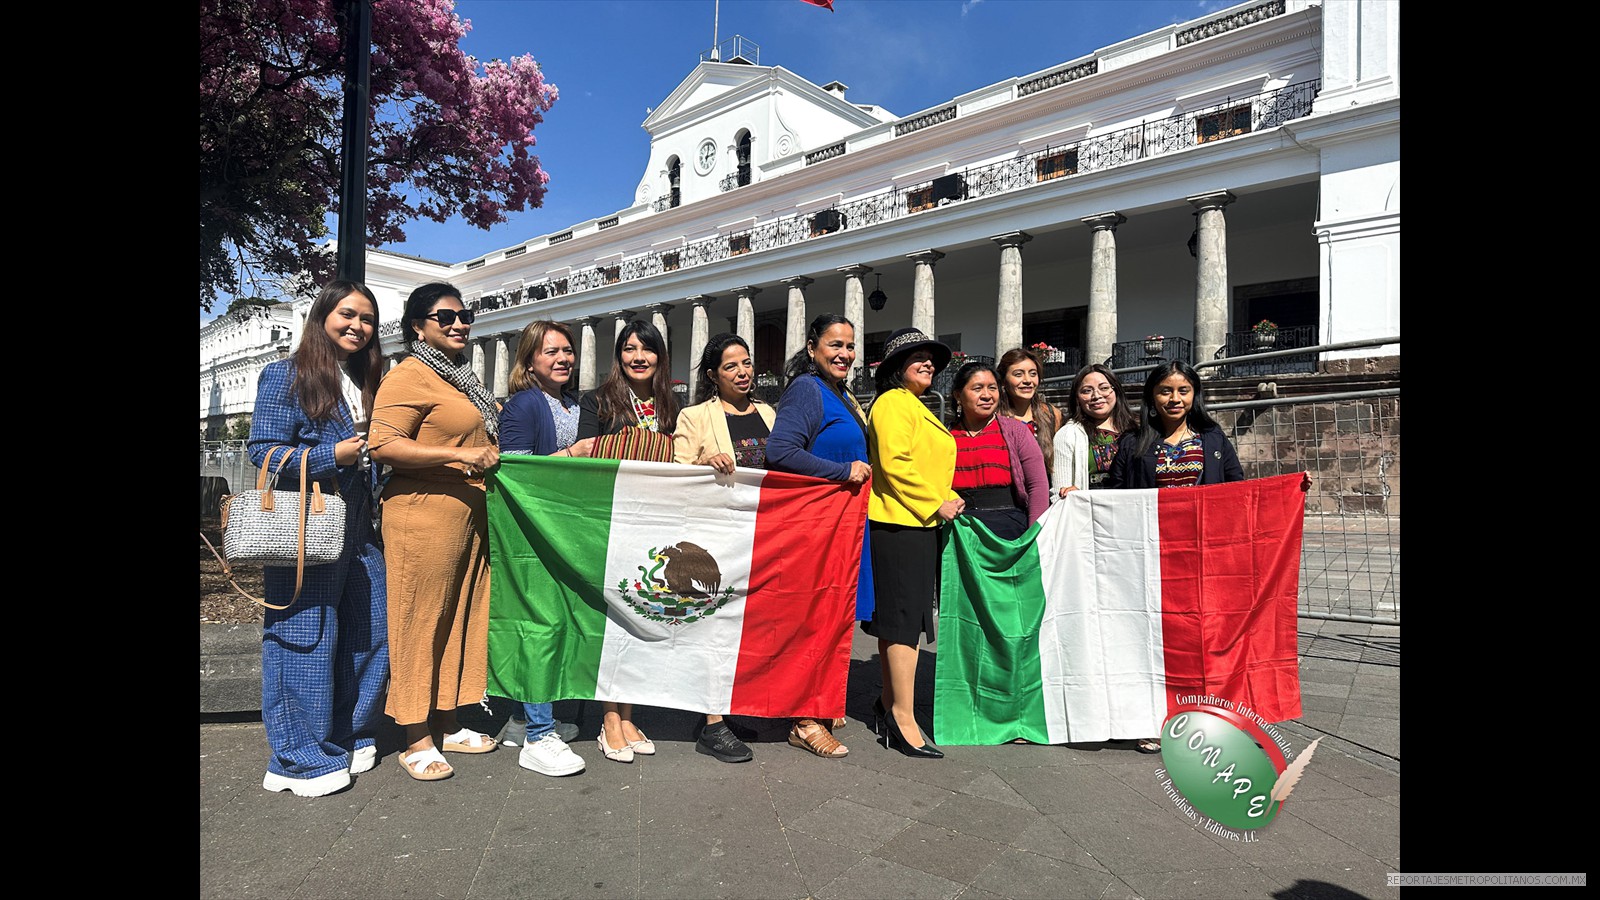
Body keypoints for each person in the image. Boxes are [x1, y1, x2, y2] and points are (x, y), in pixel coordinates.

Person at [247, 279, 389, 797]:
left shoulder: (365, 381)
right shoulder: (285, 375)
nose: (358, 326)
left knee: (375, 630)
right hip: (306, 526)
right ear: (321, 316)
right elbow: (263, 451)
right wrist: (334, 457)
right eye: (347, 314)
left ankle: (347, 733)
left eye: (368, 319)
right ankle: (296, 758)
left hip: (359, 530)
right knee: (303, 638)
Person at [369, 282, 502, 781]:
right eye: (445, 316)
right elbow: (382, 446)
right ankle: (414, 736)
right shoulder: (408, 376)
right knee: (418, 621)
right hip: (422, 513)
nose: (459, 323)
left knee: (458, 618)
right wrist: (460, 454)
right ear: (417, 326)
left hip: (467, 515)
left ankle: (447, 720)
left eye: (465, 314)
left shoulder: (459, 380)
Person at [1107, 359, 1244, 753]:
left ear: (1194, 395)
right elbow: (1114, 494)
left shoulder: (1212, 438)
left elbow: (1237, 488)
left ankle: (1204, 718)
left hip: (1202, 556)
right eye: (1166, 390)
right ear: (1152, 395)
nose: (1175, 398)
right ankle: (1152, 719)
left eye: (1183, 391)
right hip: (1151, 557)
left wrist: (1286, 492)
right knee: (1151, 637)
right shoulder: (1133, 443)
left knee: (1201, 636)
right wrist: (1078, 499)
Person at [767, 314, 875, 761]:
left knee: (834, 616)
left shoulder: (840, 392)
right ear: (812, 348)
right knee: (814, 617)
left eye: (850, 346)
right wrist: (841, 472)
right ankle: (803, 720)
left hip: (843, 526)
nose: (844, 354)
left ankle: (822, 699)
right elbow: (781, 451)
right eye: (835, 344)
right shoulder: (807, 390)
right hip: (816, 526)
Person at [492, 320, 597, 777]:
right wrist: (575, 456)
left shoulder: (575, 402)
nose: (562, 359)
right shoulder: (522, 405)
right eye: (550, 351)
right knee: (541, 624)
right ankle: (538, 735)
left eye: (568, 350)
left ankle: (522, 719)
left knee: (561, 624)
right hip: (532, 536)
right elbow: (515, 470)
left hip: (566, 532)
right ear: (529, 360)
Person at [576, 319, 680, 762]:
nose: (639, 357)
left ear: (660, 356)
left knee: (641, 617)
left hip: (655, 522)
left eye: (648, 349)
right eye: (629, 349)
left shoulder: (671, 404)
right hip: (612, 516)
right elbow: (584, 449)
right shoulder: (597, 400)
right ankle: (609, 718)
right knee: (611, 617)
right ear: (618, 356)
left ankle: (630, 712)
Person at [671, 332, 775, 763]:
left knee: (746, 628)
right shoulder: (695, 416)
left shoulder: (770, 412)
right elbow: (675, 474)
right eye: (731, 366)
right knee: (714, 627)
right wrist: (703, 463)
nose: (743, 372)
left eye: (747, 363)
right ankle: (711, 724)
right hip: (717, 538)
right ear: (713, 375)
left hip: (763, 534)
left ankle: (728, 709)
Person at [864, 327, 963, 758]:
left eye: (930, 358)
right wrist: (935, 502)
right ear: (895, 368)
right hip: (902, 523)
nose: (927, 363)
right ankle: (903, 717)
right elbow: (895, 463)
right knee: (904, 622)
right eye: (915, 357)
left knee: (903, 621)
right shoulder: (891, 403)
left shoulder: (914, 406)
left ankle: (890, 704)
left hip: (914, 524)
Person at [947, 361, 1049, 539]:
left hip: (1009, 529)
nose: (987, 395)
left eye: (992, 388)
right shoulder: (945, 435)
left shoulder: (1015, 431)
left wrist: (1035, 535)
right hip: (960, 529)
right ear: (958, 395)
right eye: (977, 388)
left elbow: (1037, 485)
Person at [1053, 363, 1137, 496]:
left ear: (1116, 391)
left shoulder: (1136, 431)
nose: (1096, 396)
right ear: (1077, 398)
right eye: (1087, 391)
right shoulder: (1068, 434)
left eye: (1104, 388)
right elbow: (1059, 492)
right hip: (1089, 511)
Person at [996, 348, 1064, 488]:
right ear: (1003, 381)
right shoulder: (994, 418)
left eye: (1033, 374)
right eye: (1018, 374)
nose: (1027, 380)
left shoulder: (1051, 415)